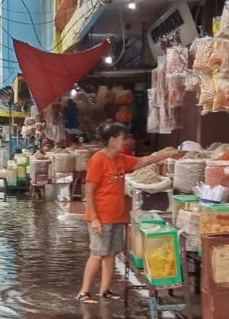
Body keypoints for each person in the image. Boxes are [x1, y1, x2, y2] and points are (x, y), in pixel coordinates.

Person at [76, 122, 181, 307]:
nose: (125, 141)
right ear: (112, 140)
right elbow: (89, 192)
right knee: (97, 254)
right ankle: (84, 291)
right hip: (101, 217)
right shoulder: (98, 160)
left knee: (111, 254)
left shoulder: (121, 159)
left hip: (117, 216)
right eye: (122, 138)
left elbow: (143, 161)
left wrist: (167, 154)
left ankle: (104, 291)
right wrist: (94, 218)